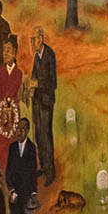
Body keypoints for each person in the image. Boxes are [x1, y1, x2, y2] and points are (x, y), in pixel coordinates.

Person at [29, 26, 60, 185]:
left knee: (46, 137)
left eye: (33, 39)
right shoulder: (36, 57)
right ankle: (42, 166)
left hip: (46, 102)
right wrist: (32, 88)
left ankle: (50, 172)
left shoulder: (49, 55)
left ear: (41, 38)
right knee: (38, 136)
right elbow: (34, 75)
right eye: (31, 40)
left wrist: (37, 84)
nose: (32, 42)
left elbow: (52, 82)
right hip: (37, 102)